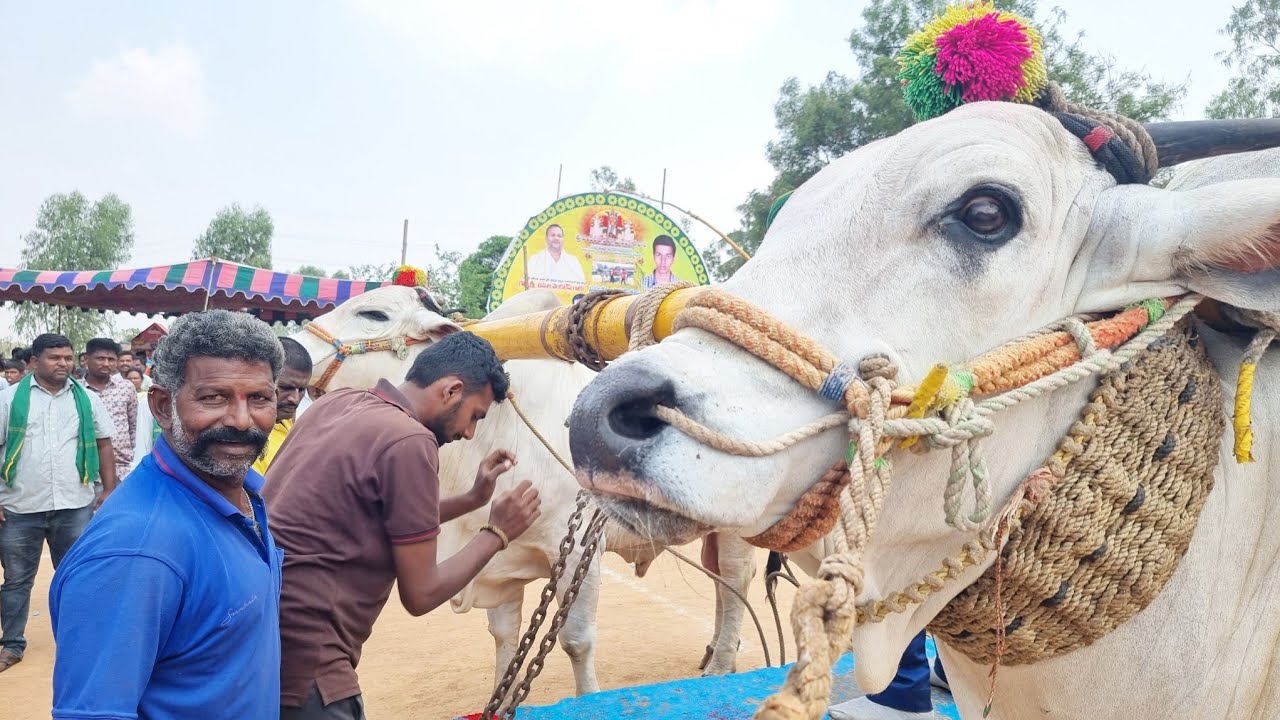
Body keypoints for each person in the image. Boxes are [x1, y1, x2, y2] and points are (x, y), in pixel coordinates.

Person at [266, 332, 542, 719]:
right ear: (452, 390)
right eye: (475, 416)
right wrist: (497, 533)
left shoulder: (339, 403)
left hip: (264, 650)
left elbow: (382, 512)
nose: (469, 433)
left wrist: (473, 499)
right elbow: (421, 594)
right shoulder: (410, 440)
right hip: (314, 671)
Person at [48, 309, 285, 718]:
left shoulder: (246, 493)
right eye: (213, 398)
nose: (241, 420)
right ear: (162, 406)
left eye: (259, 398)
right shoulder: (136, 550)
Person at [0, 333, 117, 673]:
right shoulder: (8, 399)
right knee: (17, 580)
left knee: (77, 575)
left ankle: (80, 639)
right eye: (55, 357)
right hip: (20, 505)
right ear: (34, 362)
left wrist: (109, 489)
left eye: (67, 357)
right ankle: (12, 644)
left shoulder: (86, 399)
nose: (63, 363)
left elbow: (103, 442)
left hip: (74, 502)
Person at [251, 337, 313, 476]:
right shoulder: (246, 437)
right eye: (286, 388)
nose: (295, 399)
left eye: (301, 390)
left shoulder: (290, 423)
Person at [83, 338, 138, 485]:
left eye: (111, 359)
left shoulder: (126, 388)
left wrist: (132, 454)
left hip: (124, 469)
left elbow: (133, 425)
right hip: (88, 470)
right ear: (87, 359)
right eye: (100, 358)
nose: (106, 364)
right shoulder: (77, 390)